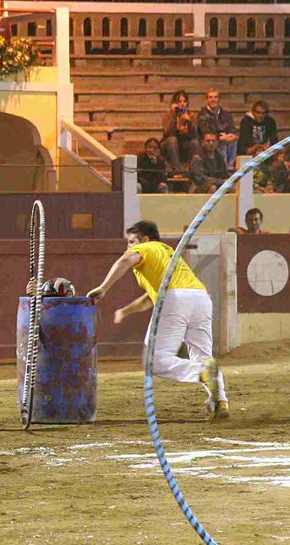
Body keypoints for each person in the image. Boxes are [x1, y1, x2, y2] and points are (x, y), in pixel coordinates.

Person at [85, 219, 228, 419]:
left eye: (131, 241)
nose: (129, 246)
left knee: (154, 361)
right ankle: (220, 401)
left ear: (144, 238)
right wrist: (125, 311)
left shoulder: (145, 248)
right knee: (203, 356)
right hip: (201, 299)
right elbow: (149, 300)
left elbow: (125, 261)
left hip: (176, 298)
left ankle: (201, 372)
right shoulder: (167, 254)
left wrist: (103, 288)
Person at [197, 88, 238, 169]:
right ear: (207, 99)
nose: (213, 99)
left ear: (219, 99)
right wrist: (220, 137)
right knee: (221, 143)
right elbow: (205, 131)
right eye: (210, 97)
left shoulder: (226, 114)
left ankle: (230, 166)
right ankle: (224, 167)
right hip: (210, 141)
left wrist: (231, 135)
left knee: (234, 140)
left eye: (215, 97)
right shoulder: (202, 114)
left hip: (226, 140)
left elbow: (232, 128)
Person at [160, 89, 199, 170]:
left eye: (184, 101)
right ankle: (177, 170)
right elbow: (167, 132)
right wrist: (174, 116)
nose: (182, 103)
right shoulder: (168, 115)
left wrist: (189, 121)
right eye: (179, 101)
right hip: (169, 145)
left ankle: (193, 169)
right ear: (175, 103)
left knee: (194, 142)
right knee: (172, 140)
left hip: (184, 144)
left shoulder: (191, 115)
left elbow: (195, 135)